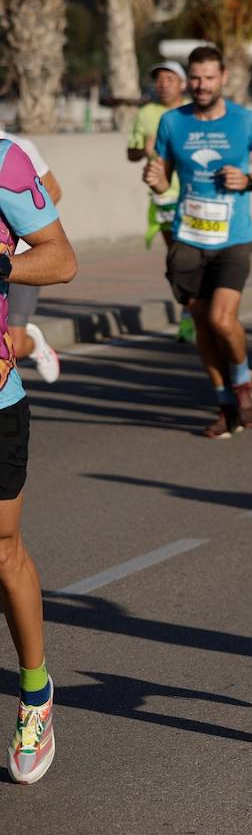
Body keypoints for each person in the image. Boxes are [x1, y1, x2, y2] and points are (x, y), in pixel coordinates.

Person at [143, 44, 252, 438]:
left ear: (223, 77)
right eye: (196, 78)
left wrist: (251, 180)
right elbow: (163, 173)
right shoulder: (173, 122)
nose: (202, 85)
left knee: (223, 318)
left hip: (233, 236)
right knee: (203, 324)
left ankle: (242, 382)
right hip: (188, 236)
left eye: (209, 78)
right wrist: (156, 180)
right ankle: (226, 404)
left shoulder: (246, 121)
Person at [0, 137, 78, 784]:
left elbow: (60, 258)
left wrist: (1, 267)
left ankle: (35, 693)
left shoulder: (4, 158)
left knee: (1, 550)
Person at [128, 61, 195, 343]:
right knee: (176, 257)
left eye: (170, 78)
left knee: (198, 254)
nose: (163, 84)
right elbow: (131, 153)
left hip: (194, 193)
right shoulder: (146, 113)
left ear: (182, 83)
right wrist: (143, 149)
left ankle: (199, 307)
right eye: (159, 79)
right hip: (163, 196)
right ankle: (189, 312)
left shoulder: (194, 110)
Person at [0, 129, 61, 384]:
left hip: (24, 259)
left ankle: (34, 343)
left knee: (13, 343)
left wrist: (19, 221)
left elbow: (53, 191)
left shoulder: (16, 147)